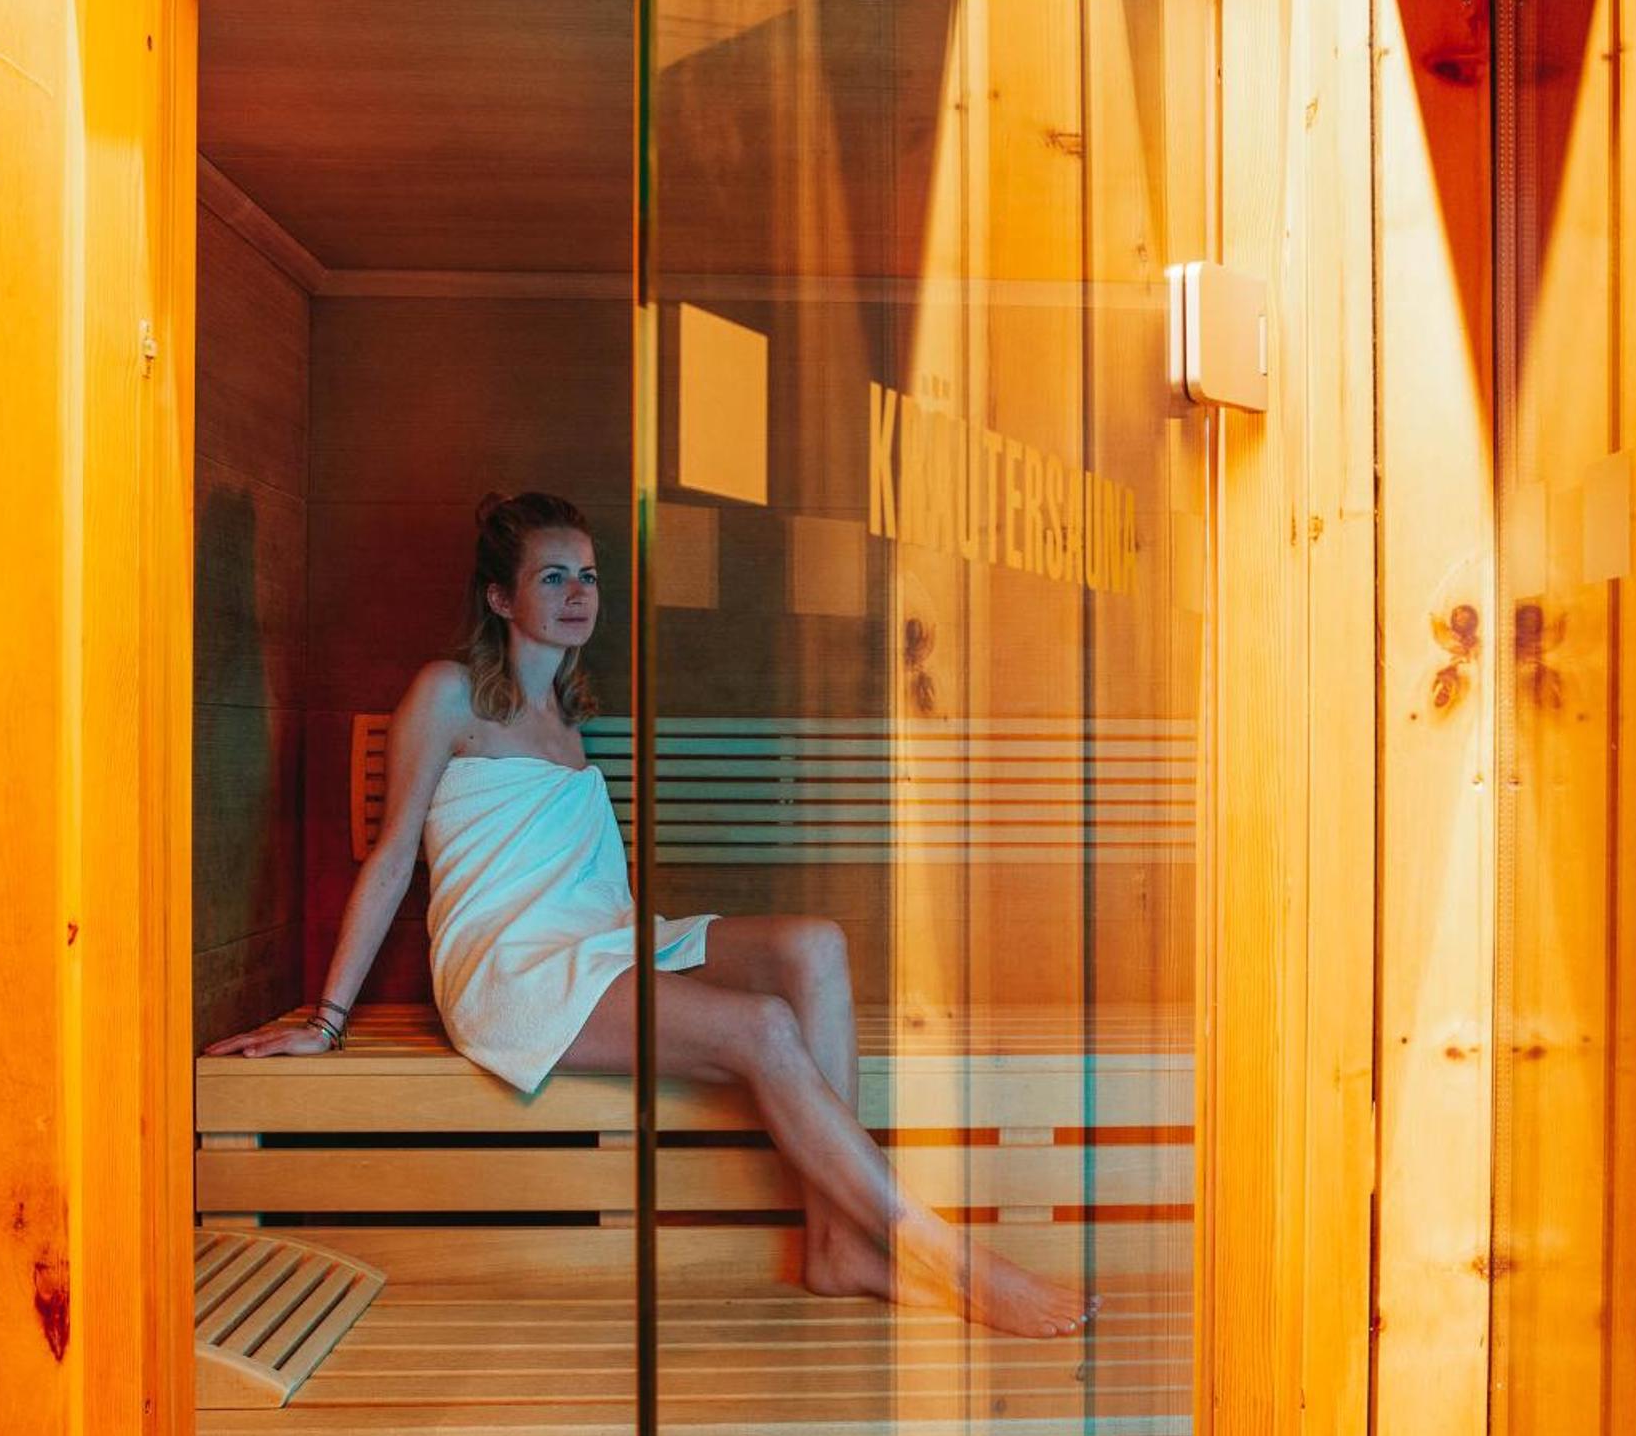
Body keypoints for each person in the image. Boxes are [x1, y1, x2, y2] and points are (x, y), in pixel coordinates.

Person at [201, 491, 1099, 1339]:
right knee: (762, 1026)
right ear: (499, 598)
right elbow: (396, 854)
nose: (577, 593)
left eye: (587, 576)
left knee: (814, 944)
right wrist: (327, 1018)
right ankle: (949, 1256)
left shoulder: (567, 713)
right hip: (514, 968)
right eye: (552, 576)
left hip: (598, 941)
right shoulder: (447, 693)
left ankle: (834, 1244)